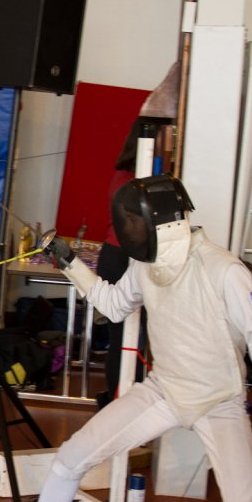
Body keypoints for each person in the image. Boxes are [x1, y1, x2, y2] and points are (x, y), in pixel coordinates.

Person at [0, 174, 252, 502]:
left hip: (218, 400)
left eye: (134, 222)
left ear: (162, 221)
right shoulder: (145, 264)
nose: (129, 231)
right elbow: (114, 305)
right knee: (71, 457)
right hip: (163, 390)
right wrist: (71, 263)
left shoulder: (224, 269)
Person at [95, 118, 149, 405]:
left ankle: (120, 401)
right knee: (127, 338)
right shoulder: (130, 182)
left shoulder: (125, 177)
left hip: (119, 256)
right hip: (122, 258)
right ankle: (120, 402)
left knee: (128, 337)